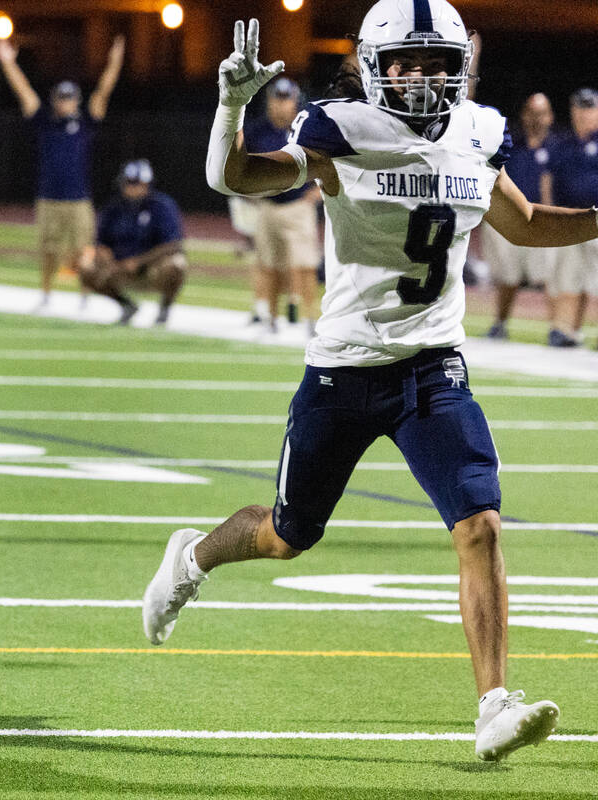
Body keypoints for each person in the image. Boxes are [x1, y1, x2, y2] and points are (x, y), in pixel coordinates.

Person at [143, 1, 598, 763]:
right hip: (345, 367)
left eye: (435, 62)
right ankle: (191, 559)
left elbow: (519, 223)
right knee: (288, 535)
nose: (420, 77)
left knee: (480, 524)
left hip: (433, 367)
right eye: (405, 62)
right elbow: (238, 178)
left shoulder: (480, 130)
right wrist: (231, 105)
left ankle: (493, 705)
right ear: (371, 66)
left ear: (461, 67)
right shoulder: (340, 127)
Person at [0, 34, 125, 310]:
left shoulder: (86, 122)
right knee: (48, 249)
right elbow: (24, 91)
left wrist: (114, 62)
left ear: (76, 100)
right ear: (55, 100)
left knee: (83, 250)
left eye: (70, 98)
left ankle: (85, 297)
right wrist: (8, 63)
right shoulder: (45, 122)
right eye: (62, 98)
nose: (65, 102)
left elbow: (103, 91)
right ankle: (46, 294)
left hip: (78, 198)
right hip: (49, 197)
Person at [243, 77, 321, 336]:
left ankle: (311, 319)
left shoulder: (308, 128)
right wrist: (249, 190)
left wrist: (319, 192)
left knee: (305, 265)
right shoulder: (256, 131)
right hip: (267, 206)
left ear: (295, 102)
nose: (281, 106)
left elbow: (330, 162)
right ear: (269, 102)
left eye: (286, 100)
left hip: (298, 205)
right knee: (268, 265)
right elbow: (242, 165)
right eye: (277, 99)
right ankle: (271, 319)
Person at [481, 93, 558, 340]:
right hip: (511, 218)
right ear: (524, 115)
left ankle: (557, 328)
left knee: (550, 276)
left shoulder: (558, 146)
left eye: (541, 113)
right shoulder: (510, 143)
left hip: (543, 219)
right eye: (532, 112)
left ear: (550, 116)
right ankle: (500, 324)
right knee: (508, 275)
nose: (536, 119)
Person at [79, 159, 187, 325]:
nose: (132, 188)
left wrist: (139, 262)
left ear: (147, 184)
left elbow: (174, 245)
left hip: (152, 268)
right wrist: (106, 259)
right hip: (118, 268)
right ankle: (126, 305)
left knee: (177, 264)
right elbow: (100, 242)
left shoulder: (162, 206)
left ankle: (165, 307)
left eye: (136, 183)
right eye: (128, 183)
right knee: (85, 266)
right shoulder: (113, 207)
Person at [542, 87, 598, 347]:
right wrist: (548, 213)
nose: (585, 114)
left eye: (590, 108)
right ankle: (564, 330)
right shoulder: (561, 142)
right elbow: (547, 180)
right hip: (569, 220)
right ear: (573, 110)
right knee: (568, 278)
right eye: (580, 108)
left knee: (593, 280)